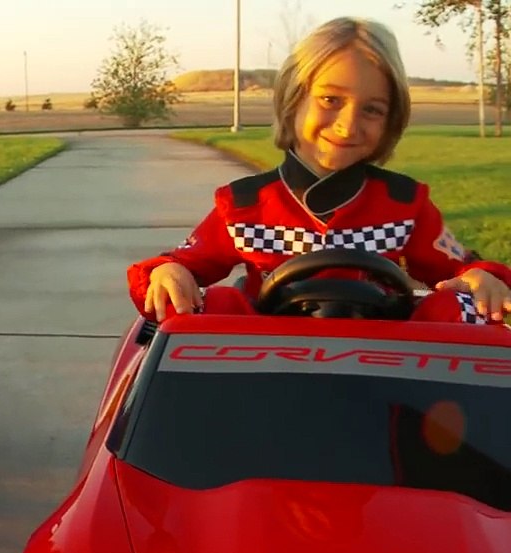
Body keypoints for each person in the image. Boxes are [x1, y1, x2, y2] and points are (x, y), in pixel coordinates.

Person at [128, 16, 511, 325]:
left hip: (384, 369)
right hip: (269, 370)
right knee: (210, 301)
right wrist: (167, 273)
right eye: (330, 100)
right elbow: (180, 264)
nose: (347, 126)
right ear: (293, 100)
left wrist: (483, 277)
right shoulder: (245, 206)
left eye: (371, 109)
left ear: (390, 121)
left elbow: (463, 267)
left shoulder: (404, 204)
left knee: (463, 305)